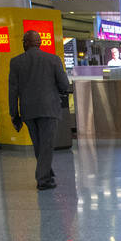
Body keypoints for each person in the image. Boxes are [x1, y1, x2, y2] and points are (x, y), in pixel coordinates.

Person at [8, 29, 71, 190]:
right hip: (49, 108)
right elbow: (64, 85)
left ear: (25, 43)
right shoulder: (53, 60)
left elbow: (13, 90)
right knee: (46, 144)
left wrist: (14, 114)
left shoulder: (16, 62)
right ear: (40, 43)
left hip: (28, 110)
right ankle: (43, 179)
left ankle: (47, 174)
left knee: (39, 144)